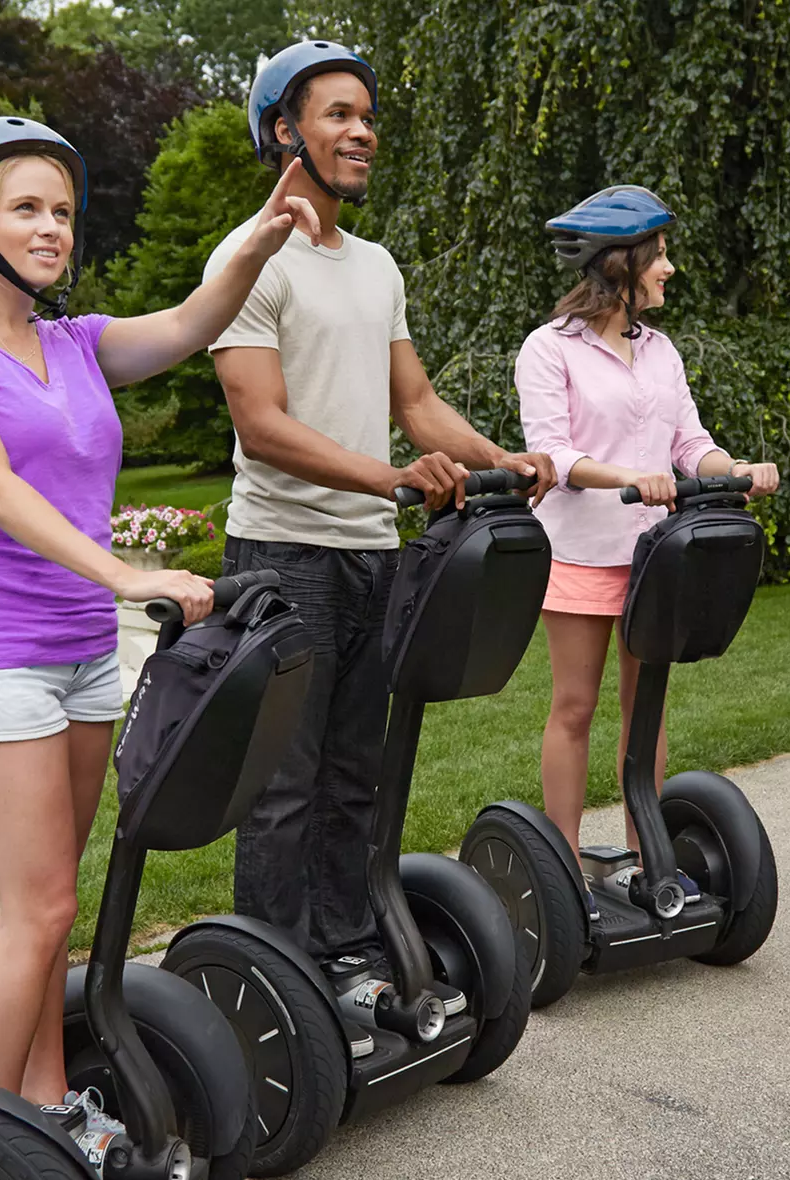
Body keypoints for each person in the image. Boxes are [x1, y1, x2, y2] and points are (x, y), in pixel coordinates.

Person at [0, 116, 320, 1109]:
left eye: (65, 213)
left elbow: (188, 325)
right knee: (35, 910)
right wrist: (125, 575)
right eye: (26, 209)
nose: (52, 230)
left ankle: (46, 1107)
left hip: (79, 652)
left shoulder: (74, 344)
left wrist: (253, 242)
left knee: (54, 906)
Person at [205, 41, 556, 964]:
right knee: (283, 787)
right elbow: (262, 426)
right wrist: (392, 478)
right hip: (281, 555)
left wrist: (499, 458)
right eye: (337, 115)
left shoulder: (375, 264)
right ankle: (275, 983)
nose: (361, 132)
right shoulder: (250, 259)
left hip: (370, 555)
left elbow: (416, 404)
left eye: (367, 117)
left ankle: (349, 955)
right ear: (284, 129)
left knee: (356, 773)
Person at [515, 185, 780, 915]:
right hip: (578, 551)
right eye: (658, 256)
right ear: (618, 265)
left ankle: (645, 858)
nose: (669, 269)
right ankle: (562, 870)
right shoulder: (549, 348)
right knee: (574, 707)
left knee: (648, 710)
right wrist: (630, 476)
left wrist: (735, 471)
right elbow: (553, 456)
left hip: (655, 556)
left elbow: (688, 442)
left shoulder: (660, 351)